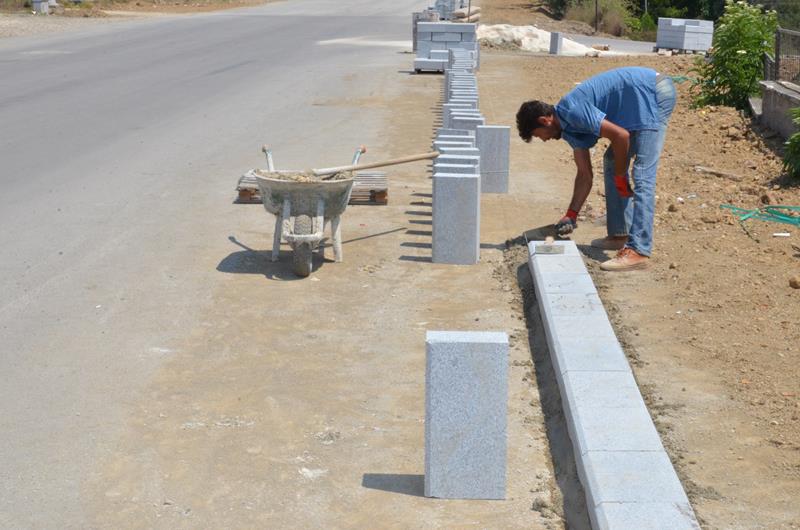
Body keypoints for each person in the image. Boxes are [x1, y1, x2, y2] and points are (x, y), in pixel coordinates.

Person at [516, 66, 676, 271]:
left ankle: (639, 250)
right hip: (637, 101)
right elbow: (584, 175)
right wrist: (571, 214)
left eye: (539, 135)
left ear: (545, 120)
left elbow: (621, 136)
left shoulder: (572, 110)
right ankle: (620, 233)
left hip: (652, 92)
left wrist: (621, 175)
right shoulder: (568, 130)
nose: (544, 140)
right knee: (612, 161)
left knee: (642, 173)